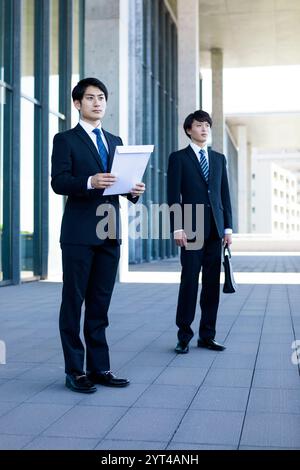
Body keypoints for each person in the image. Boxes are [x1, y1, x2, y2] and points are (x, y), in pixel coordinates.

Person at [51, 77, 145, 393]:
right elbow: (59, 182)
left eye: (101, 97)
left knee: (100, 304)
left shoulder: (116, 141)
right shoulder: (65, 139)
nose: (97, 102)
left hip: (109, 232)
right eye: (90, 97)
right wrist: (90, 181)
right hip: (78, 233)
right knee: (73, 301)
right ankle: (75, 371)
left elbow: (119, 185)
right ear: (78, 103)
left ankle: (100, 368)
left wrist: (134, 191)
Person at [167, 110, 232, 354]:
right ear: (188, 130)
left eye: (207, 125)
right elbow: (173, 195)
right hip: (191, 229)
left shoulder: (218, 159)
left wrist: (228, 227)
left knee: (212, 285)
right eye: (198, 125)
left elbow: (224, 195)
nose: (204, 129)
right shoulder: (178, 158)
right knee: (189, 283)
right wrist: (177, 226)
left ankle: (208, 335)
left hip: (216, 230)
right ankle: (184, 335)